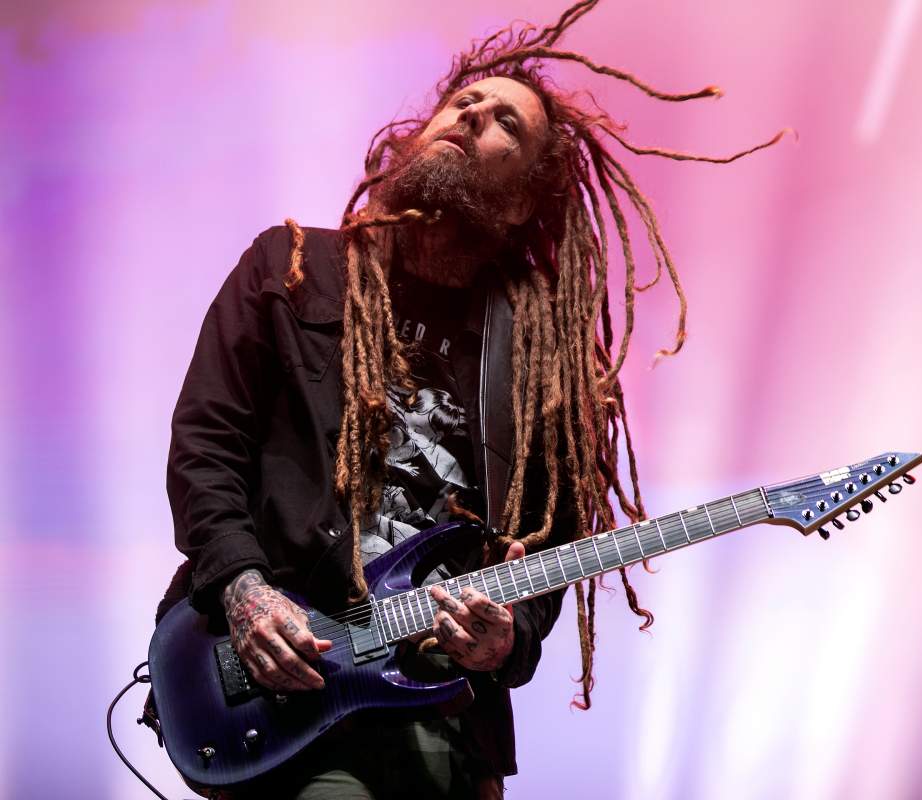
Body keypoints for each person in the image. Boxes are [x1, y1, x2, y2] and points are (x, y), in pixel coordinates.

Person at [159, 2, 784, 797]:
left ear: (522, 201)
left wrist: (505, 641)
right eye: (463, 102)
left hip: (446, 714)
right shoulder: (294, 269)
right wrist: (243, 590)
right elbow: (206, 446)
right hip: (291, 682)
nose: (473, 113)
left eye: (505, 123)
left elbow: (552, 547)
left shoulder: (541, 357)